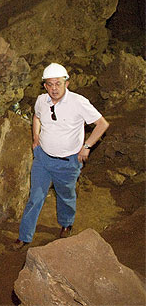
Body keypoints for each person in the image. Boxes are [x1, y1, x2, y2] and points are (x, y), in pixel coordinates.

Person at [11, 63, 110, 251]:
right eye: (50, 84)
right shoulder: (41, 100)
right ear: (45, 86)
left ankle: (66, 223)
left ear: (67, 83)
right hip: (43, 159)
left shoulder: (78, 102)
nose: (54, 88)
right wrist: (36, 137)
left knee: (65, 195)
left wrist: (87, 146)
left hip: (68, 162)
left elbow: (102, 124)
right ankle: (24, 236)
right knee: (35, 197)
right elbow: (37, 117)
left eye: (58, 83)